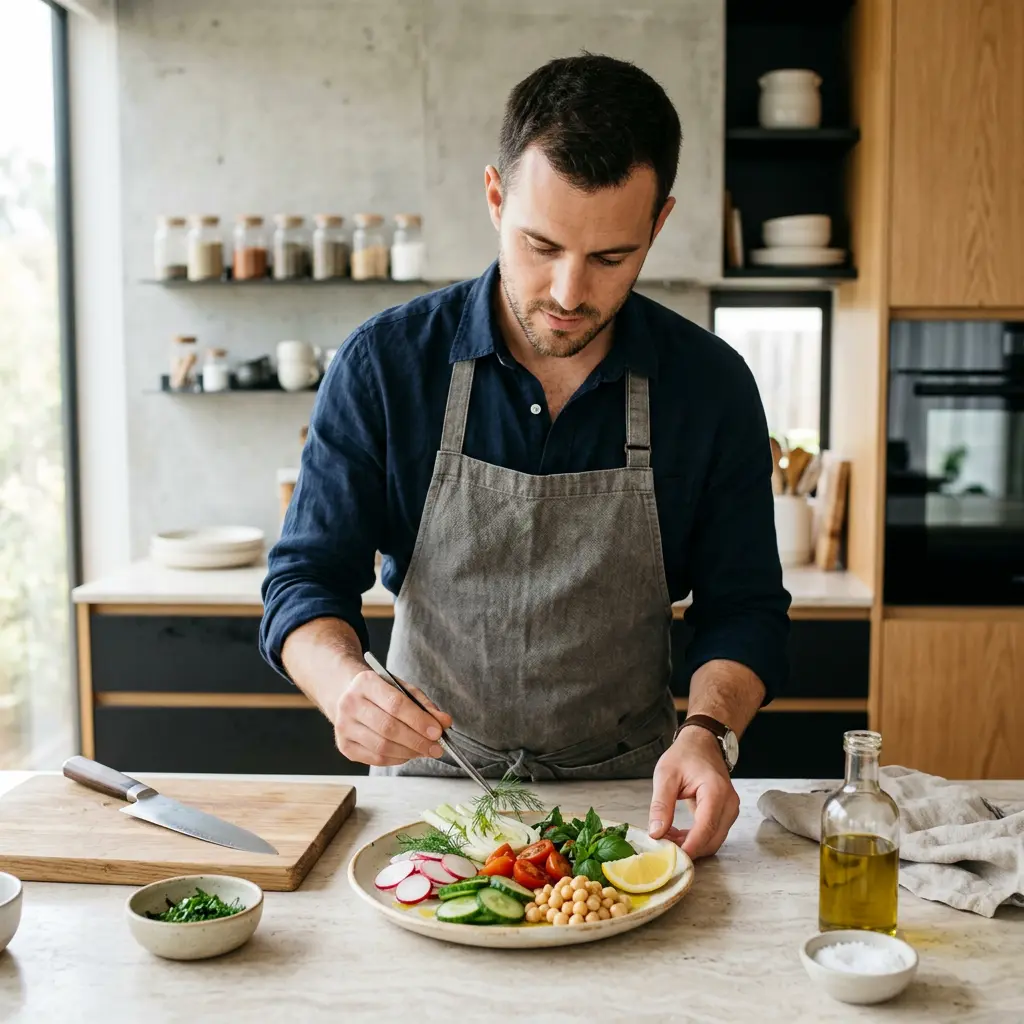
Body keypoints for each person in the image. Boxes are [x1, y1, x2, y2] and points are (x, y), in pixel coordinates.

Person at [260, 54, 790, 859]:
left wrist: (710, 731)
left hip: (629, 807)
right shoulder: (386, 365)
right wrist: (346, 688)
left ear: (659, 222)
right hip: (434, 797)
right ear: (495, 197)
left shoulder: (710, 387)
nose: (570, 292)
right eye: (541, 246)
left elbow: (744, 606)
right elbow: (303, 581)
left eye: (611, 257)